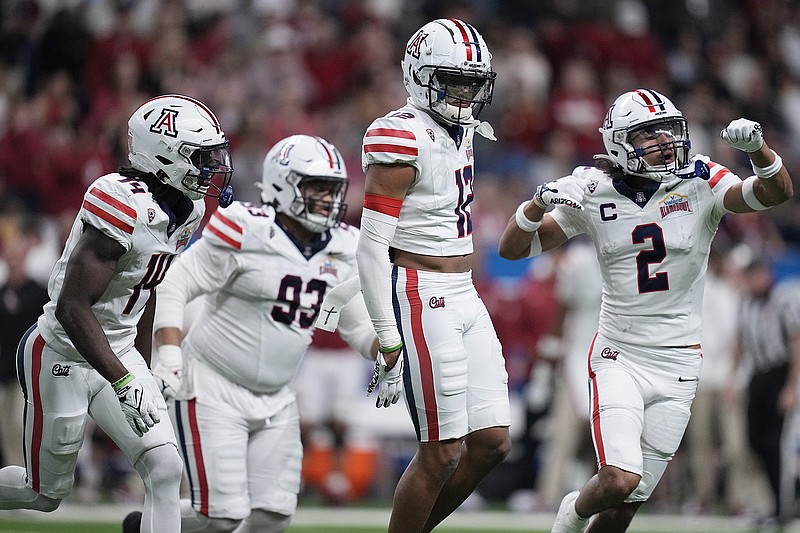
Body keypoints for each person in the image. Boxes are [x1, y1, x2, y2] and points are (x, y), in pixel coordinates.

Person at [497, 88, 793, 533]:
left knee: (625, 507)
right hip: (621, 355)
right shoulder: (594, 193)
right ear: (618, 143)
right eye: (648, 135)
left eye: (667, 132)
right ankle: (570, 517)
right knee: (618, 478)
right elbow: (513, 249)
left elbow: (774, 194)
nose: (663, 143)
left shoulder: (701, 181)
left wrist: (760, 151)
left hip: (678, 363)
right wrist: (538, 203)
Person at [0, 93, 234, 533]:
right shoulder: (120, 202)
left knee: (166, 469)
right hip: (62, 353)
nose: (212, 168)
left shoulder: (190, 208)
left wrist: (141, 366)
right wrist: (123, 379)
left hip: (119, 348)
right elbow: (71, 307)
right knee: (45, 493)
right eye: (201, 158)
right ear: (164, 156)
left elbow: (148, 288)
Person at [148, 134, 382, 533]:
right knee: (221, 518)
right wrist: (169, 353)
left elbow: (356, 322)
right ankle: (147, 526)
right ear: (282, 184)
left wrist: (391, 350)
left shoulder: (343, 246)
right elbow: (175, 283)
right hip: (212, 385)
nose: (328, 200)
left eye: (333, 191)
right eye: (317, 188)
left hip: (277, 397)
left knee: (271, 515)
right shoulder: (245, 228)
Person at [357, 18, 512, 533]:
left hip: (463, 289)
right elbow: (372, 243)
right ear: (419, 76)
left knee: (492, 442)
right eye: (454, 80)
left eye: (474, 82)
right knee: (442, 451)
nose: (466, 94)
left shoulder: (459, 127)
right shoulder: (401, 133)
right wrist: (385, 332)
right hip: (420, 291)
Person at [727, 247, 800, 529]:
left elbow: (795, 344)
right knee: (755, 442)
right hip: (758, 376)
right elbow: (739, 344)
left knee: (777, 444)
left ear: (766, 274)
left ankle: (783, 509)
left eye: (756, 275)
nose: (752, 281)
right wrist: (732, 380)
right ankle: (771, 505)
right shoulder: (746, 304)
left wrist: (791, 387)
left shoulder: (783, 302)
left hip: (780, 374)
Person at [0, 229, 50, 468]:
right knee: (6, 427)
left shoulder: (37, 293)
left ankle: (32, 472)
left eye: (16, 257)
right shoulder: (3, 293)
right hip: (5, 370)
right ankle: (14, 471)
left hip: (29, 371)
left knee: (23, 424)